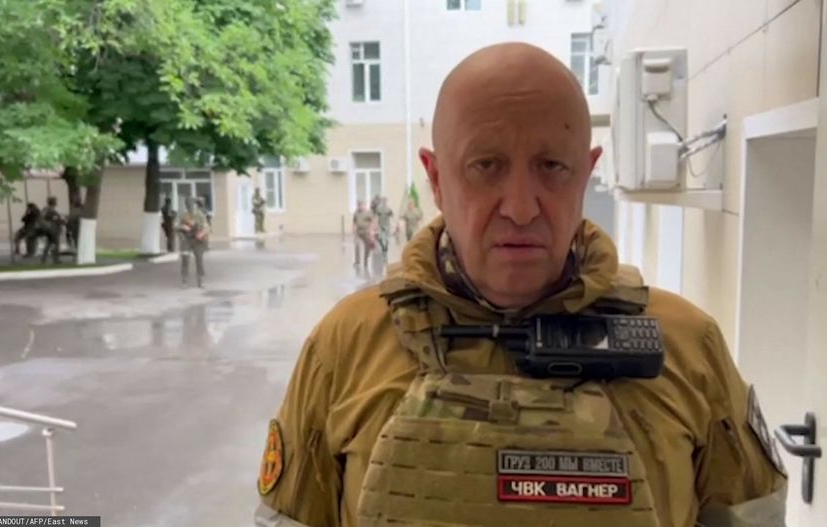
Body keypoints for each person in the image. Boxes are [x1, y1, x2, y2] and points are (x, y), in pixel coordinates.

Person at [255, 44, 787, 527]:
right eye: (485, 166)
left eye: (551, 166)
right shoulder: (346, 348)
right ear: (436, 179)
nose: (520, 207)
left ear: (587, 173)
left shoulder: (687, 348)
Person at [178, 196, 209, 287]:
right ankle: (184, 280)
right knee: (185, 260)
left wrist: (201, 234)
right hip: (186, 240)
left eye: (191, 204)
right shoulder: (183, 215)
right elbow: (175, 225)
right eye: (188, 204)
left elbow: (206, 227)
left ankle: (200, 280)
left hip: (198, 241)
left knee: (199, 260)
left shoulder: (200, 215)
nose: (190, 206)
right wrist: (183, 227)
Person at [36, 196, 65, 264]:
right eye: (55, 201)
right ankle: (56, 260)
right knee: (56, 244)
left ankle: (43, 259)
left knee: (48, 244)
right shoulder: (52, 211)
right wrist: (63, 221)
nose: (56, 202)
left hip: (47, 229)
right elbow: (56, 219)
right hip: (53, 229)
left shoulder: (45, 209)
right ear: (54, 202)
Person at [351, 200, 376, 272]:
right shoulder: (356, 213)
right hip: (358, 232)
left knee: (367, 247)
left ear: (364, 205)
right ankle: (357, 261)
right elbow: (354, 222)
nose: (359, 207)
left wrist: (372, 231)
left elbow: (373, 221)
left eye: (360, 205)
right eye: (358, 205)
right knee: (357, 245)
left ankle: (366, 260)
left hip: (366, 232)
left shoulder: (368, 213)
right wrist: (353, 229)